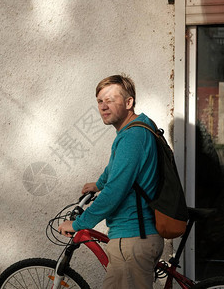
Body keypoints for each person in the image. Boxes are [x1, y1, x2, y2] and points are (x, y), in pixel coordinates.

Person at [58, 74, 164, 289]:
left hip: (132, 238)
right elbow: (118, 168)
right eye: (100, 101)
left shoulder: (132, 137)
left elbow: (115, 191)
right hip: (136, 237)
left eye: (110, 99)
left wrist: (79, 224)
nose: (104, 106)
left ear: (128, 102)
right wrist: (99, 183)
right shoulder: (137, 128)